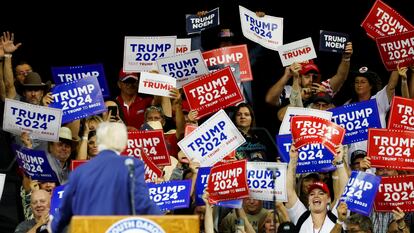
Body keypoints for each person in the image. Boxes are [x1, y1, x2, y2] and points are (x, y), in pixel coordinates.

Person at [51, 122, 162, 233]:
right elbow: (142, 203)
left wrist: (54, 226)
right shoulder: (131, 165)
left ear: (99, 142)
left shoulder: (79, 171)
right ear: (123, 143)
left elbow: (64, 213)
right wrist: (165, 220)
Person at [286, 144, 348, 233]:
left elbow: (345, 193)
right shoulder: (301, 216)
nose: (316, 196)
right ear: (308, 200)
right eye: (312, 194)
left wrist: (339, 162)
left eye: (321, 193)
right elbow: (289, 193)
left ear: (329, 199)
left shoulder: (337, 215)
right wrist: (292, 160)